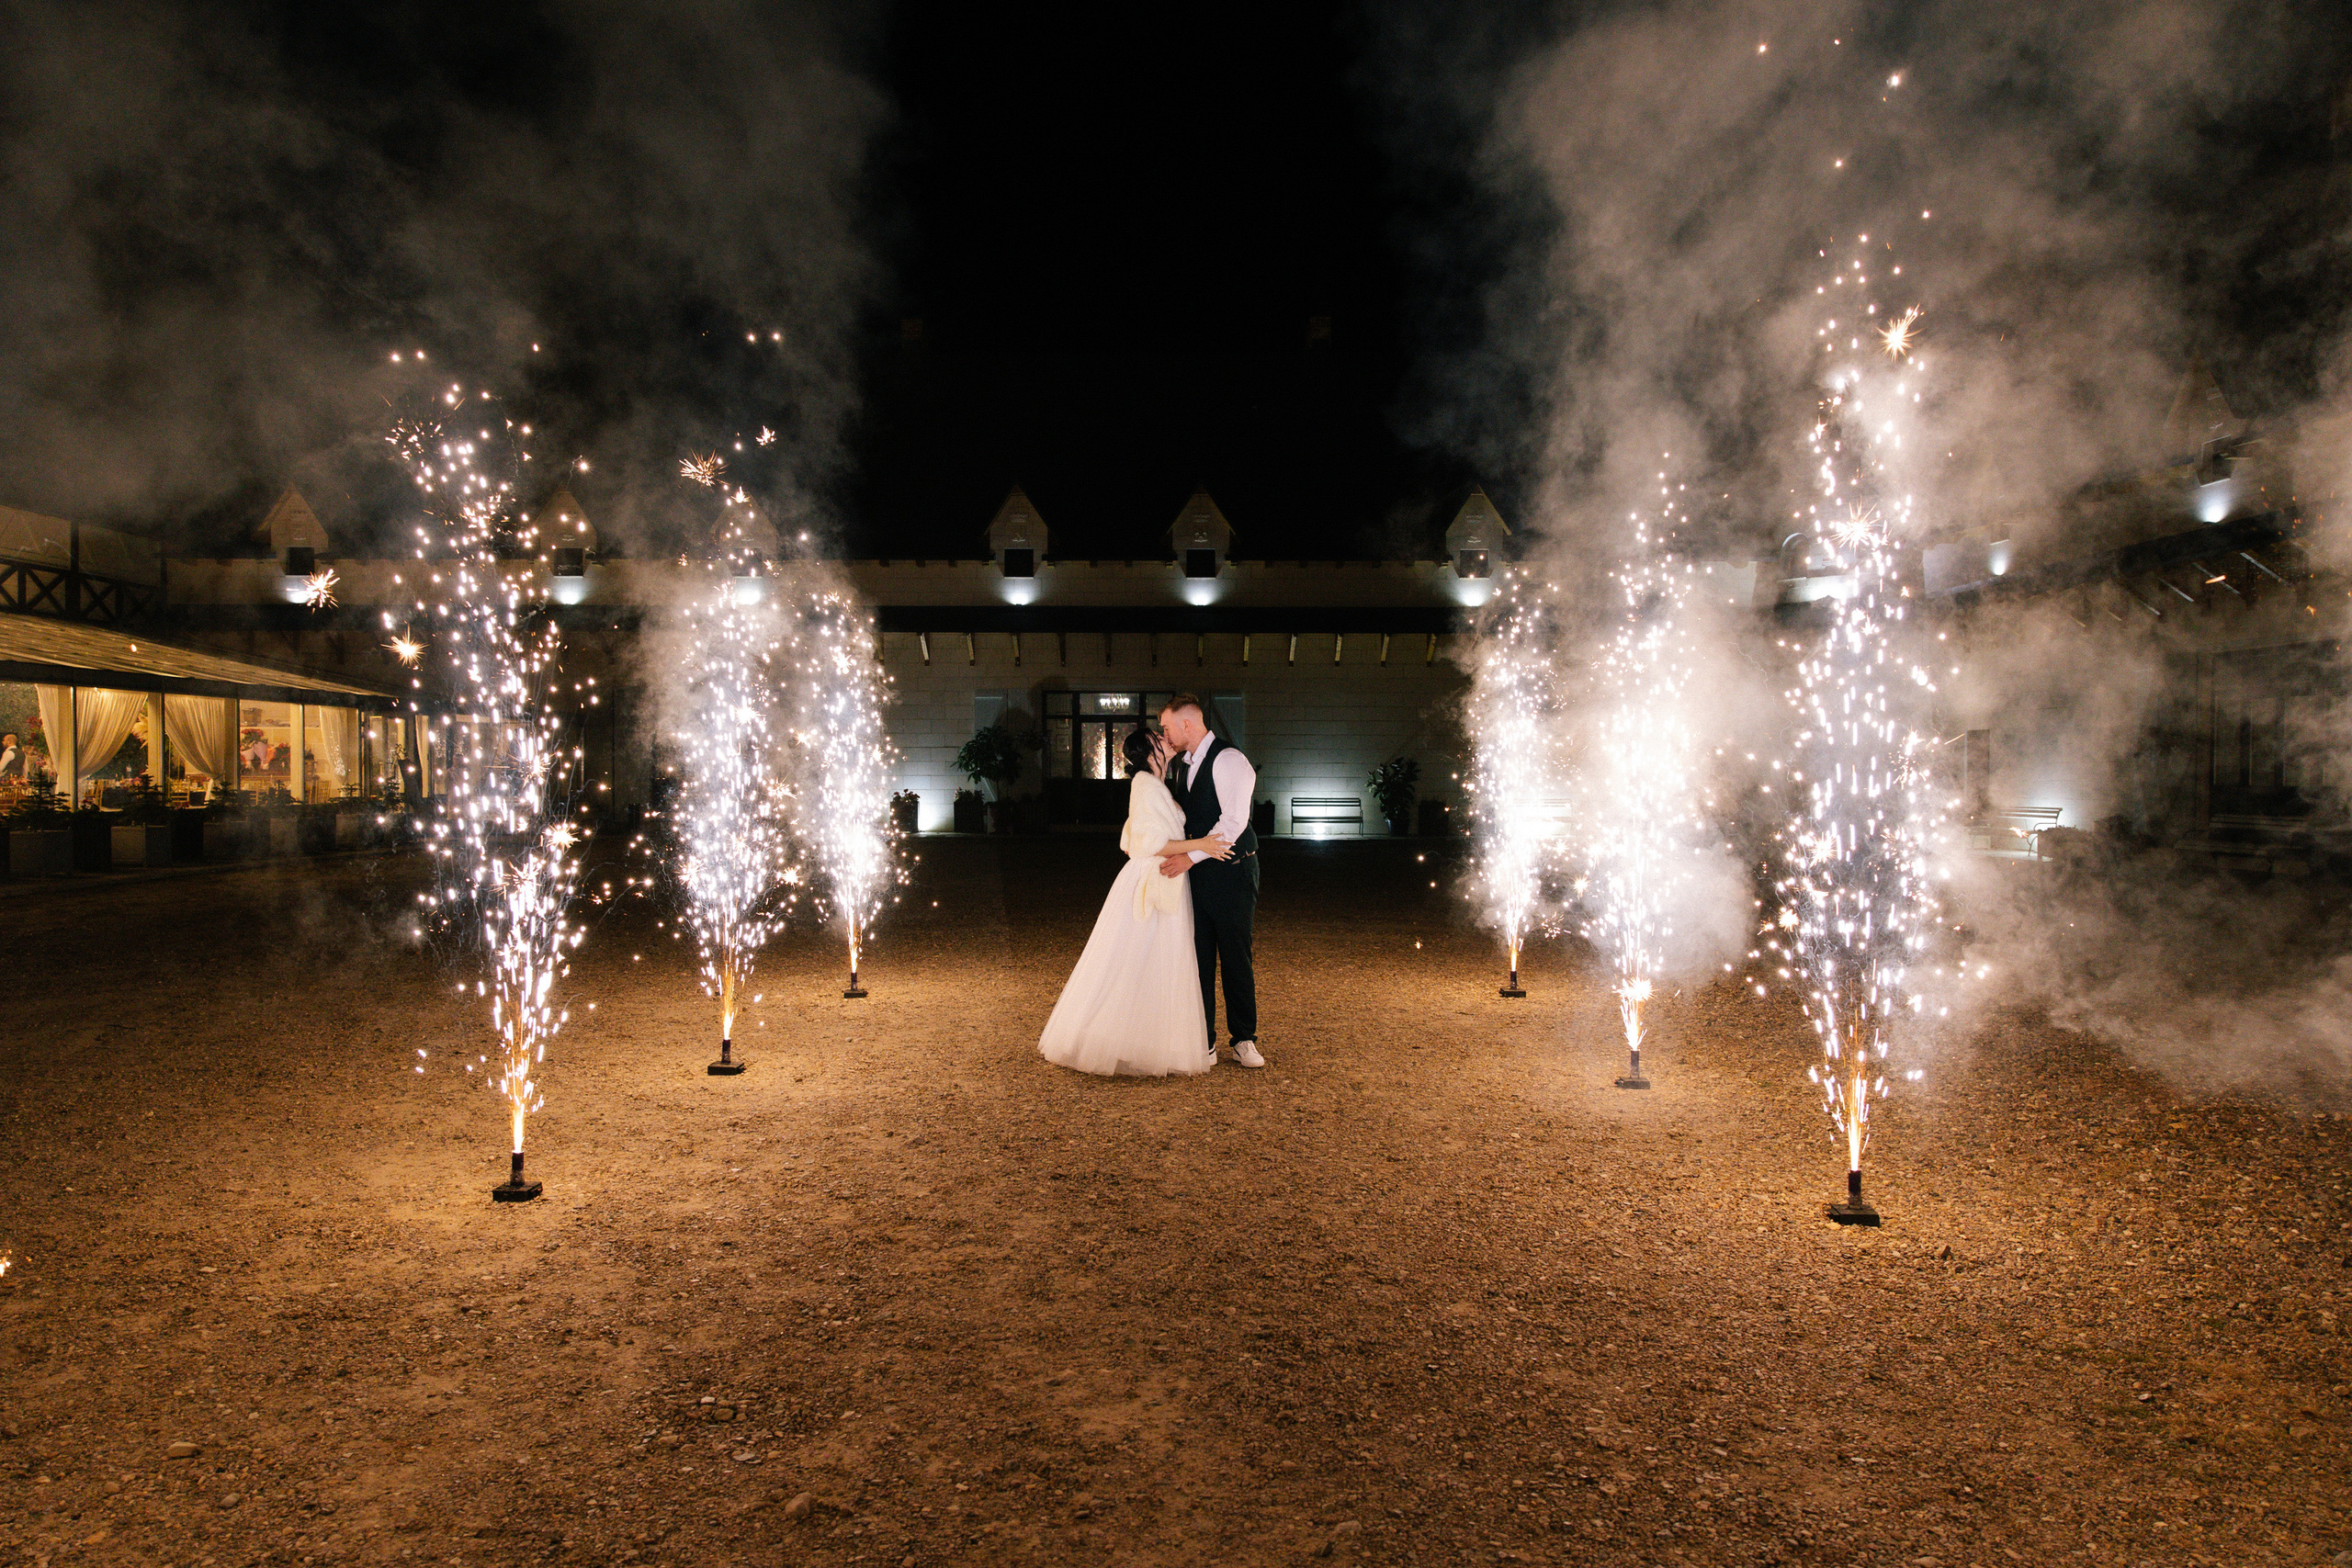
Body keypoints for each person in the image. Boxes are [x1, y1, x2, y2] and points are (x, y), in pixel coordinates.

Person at [1038, 725, 1233, 1077]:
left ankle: (1149, 1039)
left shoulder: (1156, 785)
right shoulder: (1145, 785)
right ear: (1147, 752)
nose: (1165, 740)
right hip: (1153, 879)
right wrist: (1200, 844)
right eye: (1159, 740)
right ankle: (1116, 1038)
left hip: (1165, 878)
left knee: (1154, 961)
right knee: (1134, 958)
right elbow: (1151, 845)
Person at [1156, 694, 1266, 1068]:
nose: (1164, 735)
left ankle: (1244, 1038)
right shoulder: (1183, 764)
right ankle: (1204, 1039)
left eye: (1167, 727)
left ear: (1187, 724)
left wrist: (1188, 856)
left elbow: (1233, 823)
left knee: (1236, 956)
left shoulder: (1230, 760)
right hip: (1197, 876)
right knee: (1198, 958)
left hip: (1234, 873)